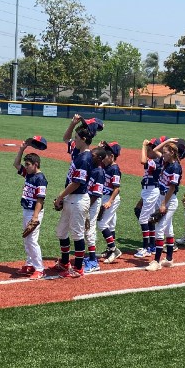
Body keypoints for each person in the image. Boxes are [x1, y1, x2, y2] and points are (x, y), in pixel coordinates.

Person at [52, 115, 98, 278]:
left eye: (77, 138)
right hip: (70, 198)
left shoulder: (85, 158)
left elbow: (77, 183)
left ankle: (78, 268)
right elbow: (65, 138)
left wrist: (60, 196)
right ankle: (65, 262)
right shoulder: (78, 151)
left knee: (77, 234)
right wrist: (72, 124)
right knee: (61, 232)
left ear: (84, 139)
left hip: (78, 199)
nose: (74, 140)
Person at [13, 139, 48, 279]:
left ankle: (40, 268)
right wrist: (21, 149)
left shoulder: (40, 179)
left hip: (34, 212)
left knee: (32, 240)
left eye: (28, 165)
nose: (25, 167)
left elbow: (40, 199)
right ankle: (30, 263)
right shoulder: (29, 174)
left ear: (36, 165)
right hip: (26, 210)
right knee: (27, 238)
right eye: (26, 165)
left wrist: (35, 217)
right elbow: (16, 164)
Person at [146, 141, 182, 271]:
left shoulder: (175, 167)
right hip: (163, 198)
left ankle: (156, 261)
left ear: (172, 153)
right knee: (168, 229)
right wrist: (167, 142)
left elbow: (172, 187)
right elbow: (154, 151)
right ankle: (169, 259)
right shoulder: (165, 162)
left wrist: (163, 204)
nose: (163, 154)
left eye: (166, 152)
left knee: (159, 229)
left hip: (169, 201)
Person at [134, 136, 165, 259]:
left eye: (150, 148)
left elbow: (142, 160)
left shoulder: (156, 161)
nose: (148, 150)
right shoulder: (156, 161)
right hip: (148, 191)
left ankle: (146, 248)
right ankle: (151, 245)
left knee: (143, 219)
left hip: (152, 191)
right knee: (150, 218)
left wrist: (143, 146)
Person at [83, 147, 108, 273]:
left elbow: (96, 194)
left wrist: (86, 207)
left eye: (93, 155)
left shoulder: (99, 172)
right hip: (87, 201)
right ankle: (87, 256)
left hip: (92, 202)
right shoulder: (92, 167)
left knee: (89, 229)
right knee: (83, 229)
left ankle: (93, 261)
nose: (90, 157)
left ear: (99, 158)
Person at [98, 141, 123, 264]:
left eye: (105, 156)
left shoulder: (114, 169)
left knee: (102, 224)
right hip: (107, 197)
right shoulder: (106, 166)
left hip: (111, 199)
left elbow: (116, 188)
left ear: (112, 156)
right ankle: (109, 250)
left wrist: (109, 201)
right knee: (111, 225)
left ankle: (114, 250)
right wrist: (100, 148)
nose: (103, 159)